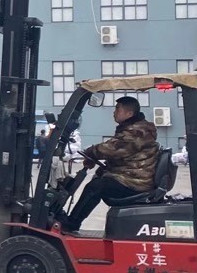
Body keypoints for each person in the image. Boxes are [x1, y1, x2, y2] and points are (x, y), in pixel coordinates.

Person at [60, 95, 159, 231]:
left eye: (118, 109)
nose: (114, 112)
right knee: (97, 181)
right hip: (131, 176)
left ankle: (72, 223)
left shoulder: (137, 132)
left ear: (129, 113)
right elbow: (121, 155)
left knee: (96, 187)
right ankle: (72, 220)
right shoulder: (133, 128)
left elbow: (112, 148)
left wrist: (91, 152)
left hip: (135, 182)